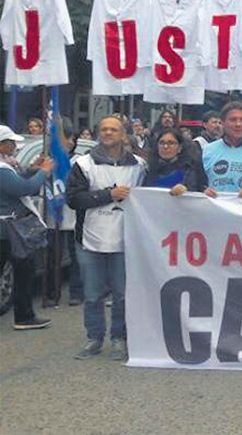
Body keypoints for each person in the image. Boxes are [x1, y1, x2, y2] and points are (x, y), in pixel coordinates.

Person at [65, 115, 147, 360]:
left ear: (123, 134)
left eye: (113, 129)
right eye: (104, 129)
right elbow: (73, 199)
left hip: (125, 241)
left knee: (122, 295)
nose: (108, 133)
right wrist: (108, 194)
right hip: (90, 240)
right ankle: (94, 338)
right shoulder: (83, 164)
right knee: (92, 295)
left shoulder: (139, 166)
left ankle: (119, 338)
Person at [0, 124, 55, 330]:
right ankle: (23, 317)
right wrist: (43, 172)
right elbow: (26, 188)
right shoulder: (2, 169)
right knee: (23, 270)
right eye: (11, 143)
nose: (15, 146)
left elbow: (19, 179)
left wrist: (33, 169)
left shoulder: (6, 166)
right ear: (1, 146)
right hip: (9, 229)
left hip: (6, 228)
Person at [201, 102, 242, 199]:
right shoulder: (207, 151)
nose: (238, 124)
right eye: (233, 120)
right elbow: (197, 184)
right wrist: (203, 191)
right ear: (223, 123)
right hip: (215, 210)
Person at [143, 127, 208, 195]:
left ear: (179, 148)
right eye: (162, 143)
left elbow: (201, 190)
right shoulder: (149, 168)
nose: (165, 147)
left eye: (171, 143)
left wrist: (187, 189)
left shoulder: (191, 168)